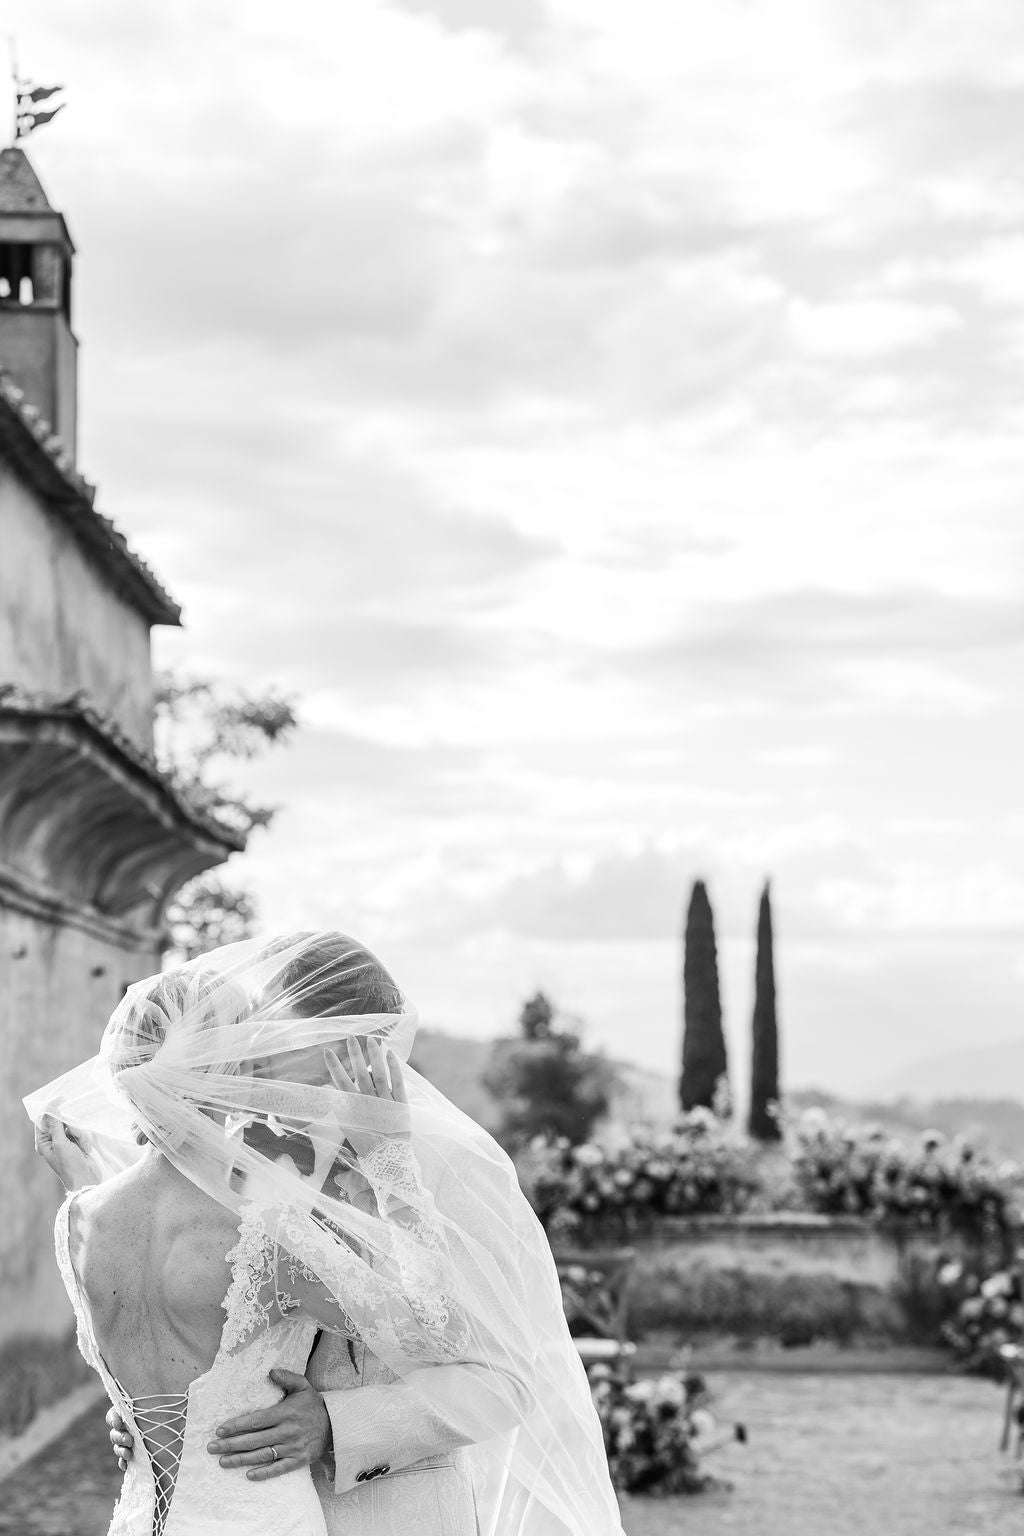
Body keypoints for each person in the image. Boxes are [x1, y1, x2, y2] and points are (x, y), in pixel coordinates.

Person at [27, 931, 626, 1536]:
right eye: (250, 1039)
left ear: (356, 1047)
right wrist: (157, 1417)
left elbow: (506, 1380)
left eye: (275, 1041)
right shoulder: (245, 1161)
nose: (258, 1062)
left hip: (391, 1516)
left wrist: (338, 1425)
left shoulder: (451, 1164)